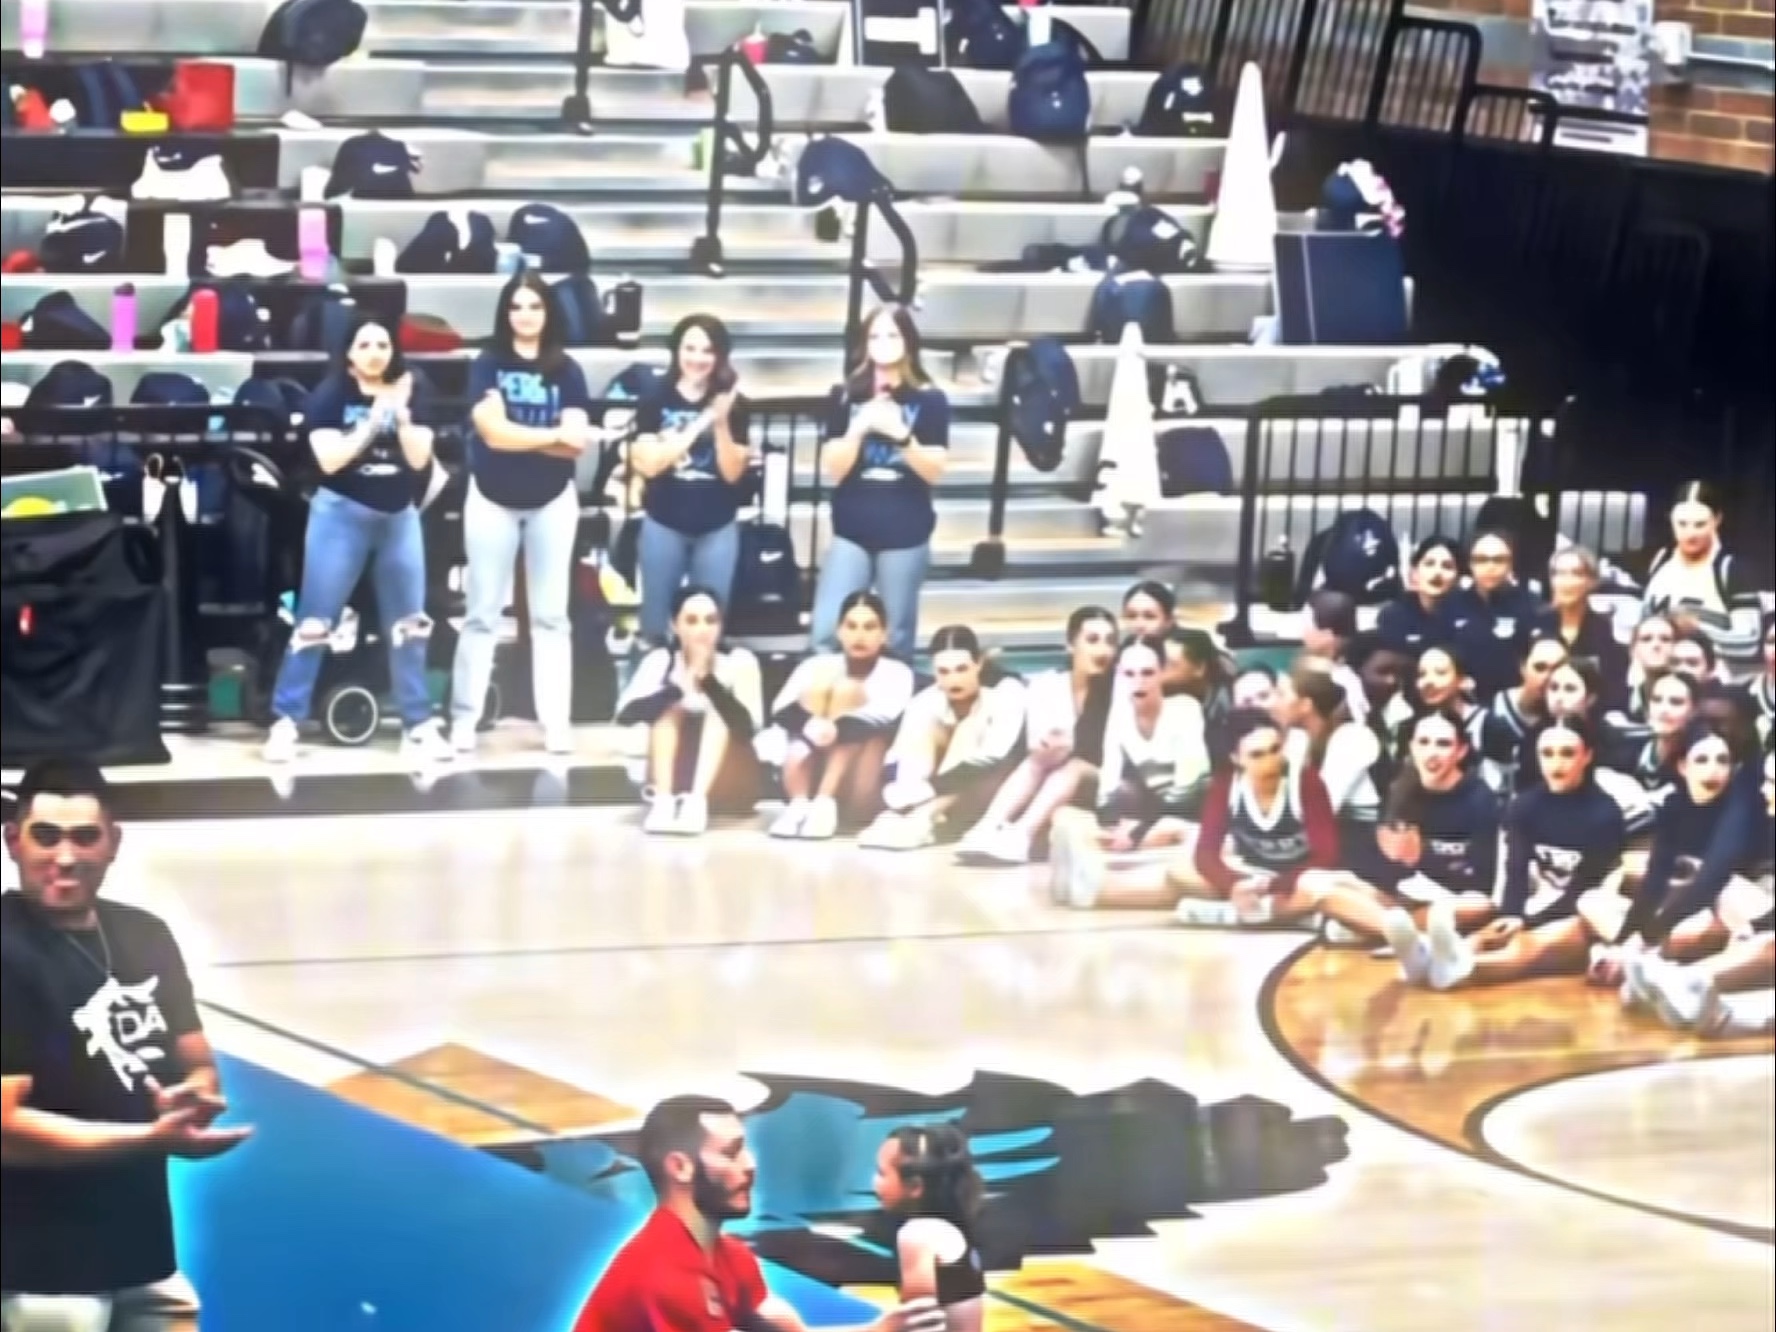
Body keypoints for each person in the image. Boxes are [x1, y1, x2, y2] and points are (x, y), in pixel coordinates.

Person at [2, 761, 253, 1332]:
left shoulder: (146, 936)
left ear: (113, 842)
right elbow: (4, 1129)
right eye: (46, 836)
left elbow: (197, 1062)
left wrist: (192, 1098)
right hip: (43, 1273)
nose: (66, 856)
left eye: (84, 837)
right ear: (14, 841)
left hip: (144, 1257)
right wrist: (149, 1137)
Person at [573, 1096, 944, 1332]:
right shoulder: (662, 1276)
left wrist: (880, 1330)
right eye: (731, 1153)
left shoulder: (730, 1257)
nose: (750, 1165)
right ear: (680, 1167)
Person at [262, 314, 451, 765]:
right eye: (364, 345)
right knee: (315, 620)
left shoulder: (413, 388)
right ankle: (286, 721)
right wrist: (373, 419)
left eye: (382, 345)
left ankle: (417, 723)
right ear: (348, 354)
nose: (374, 354)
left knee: (410, 623)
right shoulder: (330, 394)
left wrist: (401, 416)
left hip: (398, 517)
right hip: (340, 517)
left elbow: (419, 458)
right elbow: (330, 460)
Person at [451, 271, 595, 756]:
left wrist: (518, 433)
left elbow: (575, 443)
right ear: (505, 313)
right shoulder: (488, 363)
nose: (526, 315)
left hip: (552, 501)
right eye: (517, 306)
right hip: (491, 497)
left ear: (548, 312)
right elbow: (492, 436)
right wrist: (548, 435)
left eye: (535, 306)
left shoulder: (568, 371)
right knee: (482, 614)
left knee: (552, 616)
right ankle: (465, 719)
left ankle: (556, 722)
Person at [1384, 714, 1629, 990]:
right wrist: (1512, 914)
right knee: (1488, 935)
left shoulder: (1604, 814)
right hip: (1539, 905)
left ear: (1587, 756)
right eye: (1547, 753)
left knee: (1528, 944)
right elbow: (1516, 870)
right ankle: (1424, 960)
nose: (1556, 764)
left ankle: (1462, 968)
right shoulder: (1525, 805)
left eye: (1567, 753)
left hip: (1582, 915)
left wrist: (1528, 922)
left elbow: (1584, 888)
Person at [810, 305, 950, 662]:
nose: (883, 343)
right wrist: (858, 428)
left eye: (892, 335)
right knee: (827, 631)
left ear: (908, 341)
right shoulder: (844, 396)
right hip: (852, 529)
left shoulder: (930, 400)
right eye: (874, 336)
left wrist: (901, 435)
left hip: (906, 531)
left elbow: (934, 470)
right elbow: (834, 469)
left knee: (895, 637)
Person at [955, 605, 1116, 865]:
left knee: (1073, 766)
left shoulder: (1121, 688)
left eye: (1110, 641)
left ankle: (1022, 835)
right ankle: (987, 826)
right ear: (1071, 645)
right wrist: (1049, 745)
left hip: (1105, 777)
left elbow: (1110, 753)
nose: (1102, 650)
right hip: (1054, 772)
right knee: (1037, 760)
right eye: (1092, 640)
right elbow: (1036, 742)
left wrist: (1070, 745)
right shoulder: (1048, 684)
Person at [629, 314, 750, 646]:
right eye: (690, 348)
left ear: (720, 355)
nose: (697, 358)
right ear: (676, 351)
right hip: (664, 520)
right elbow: (651, 465)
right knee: (655, 625)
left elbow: (732, 473)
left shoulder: (734, 405)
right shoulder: (656, 397)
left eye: (707, 350)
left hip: (717, 523)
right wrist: (701, 422)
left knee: (709, 625)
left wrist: (721, 423)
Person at [858, 626, 1027, 851]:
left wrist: (926, 792)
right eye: (944, 672)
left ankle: (925, 817)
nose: (953, 680)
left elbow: (992, 758)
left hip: (992, 784)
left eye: (961, 669)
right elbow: (899, 754)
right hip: (931, 790)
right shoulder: (926, 699)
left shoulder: (1007, 692)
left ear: (979, 663)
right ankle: (905, 816)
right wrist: (903, 797)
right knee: (928, 725)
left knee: (968, 728)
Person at [615, 586, 764, 835]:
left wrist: (709, 683)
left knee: (719, 713)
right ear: (675, 626)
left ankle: (696, 802)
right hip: (674, 773)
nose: (702, 629)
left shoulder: (740, 661)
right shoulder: (661, 660)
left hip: (729, 775)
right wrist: (676, 690)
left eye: (710, 621)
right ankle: (664, 802)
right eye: (692, 621)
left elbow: (748, 728)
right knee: (669, 710)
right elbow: (625, 716)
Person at [766, 592, 914, 840]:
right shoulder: (816, 666)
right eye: (852, 626)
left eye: (869, 627)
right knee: (817, 689)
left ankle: (824, 801)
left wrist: (832, 726)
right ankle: (799, 805)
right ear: (839, 631)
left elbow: (878, 721)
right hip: (812, 761)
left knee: (847, 693)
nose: (859, 636)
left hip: (862, 778)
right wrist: (812, 722)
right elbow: (781, 709)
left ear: (884, 634)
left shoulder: (898, 673)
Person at [1639, 481, 1764, 679]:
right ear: (1671, 519)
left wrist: (1697, 630)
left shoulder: (1731, 570)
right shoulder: (1661, 561)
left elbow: (1750, 642)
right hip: (1660, 681)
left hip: (1716, 681)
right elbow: (1642, 625)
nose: (1690, 534)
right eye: (1682, 524)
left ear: (1717, 520)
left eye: (1699, 525)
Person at [874, 1124, 985, 1332]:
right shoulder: (945, 1229)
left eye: (881, 1173)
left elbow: (921, 1325)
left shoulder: (917, 1234)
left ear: (915, 1186)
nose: (874, 1183)